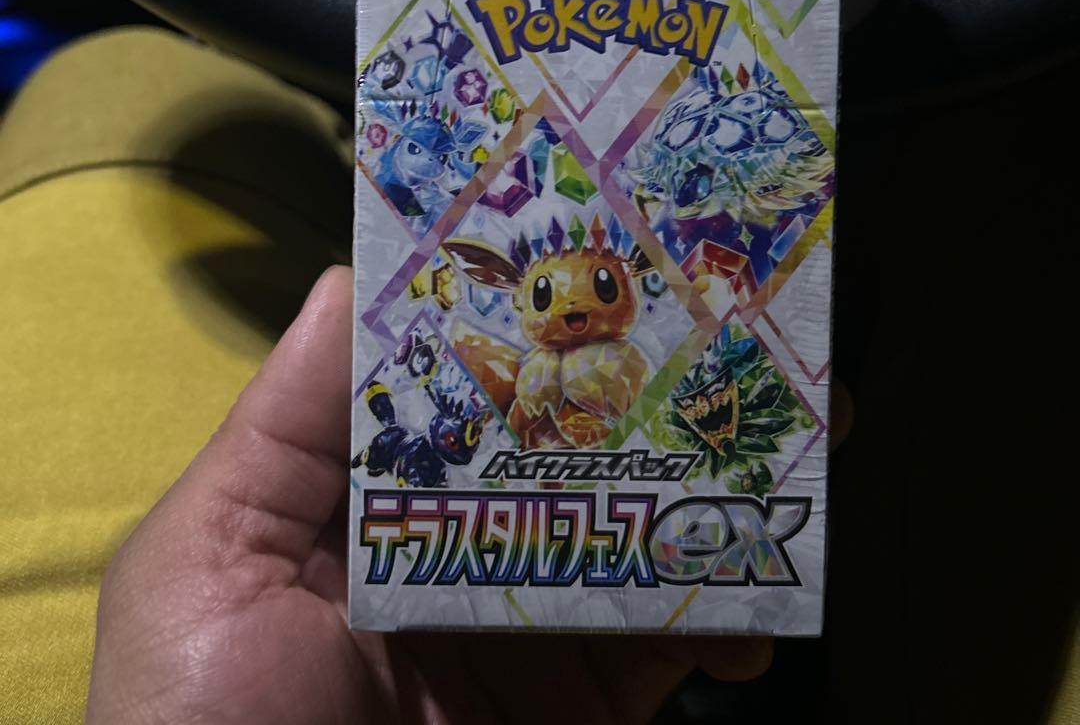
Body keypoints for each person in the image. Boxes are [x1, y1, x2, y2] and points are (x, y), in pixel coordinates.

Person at [85, 266, 849, 724]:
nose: (573, 310)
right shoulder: (524, 368)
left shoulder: (627, 357)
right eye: (548, 295)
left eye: (599, 289)